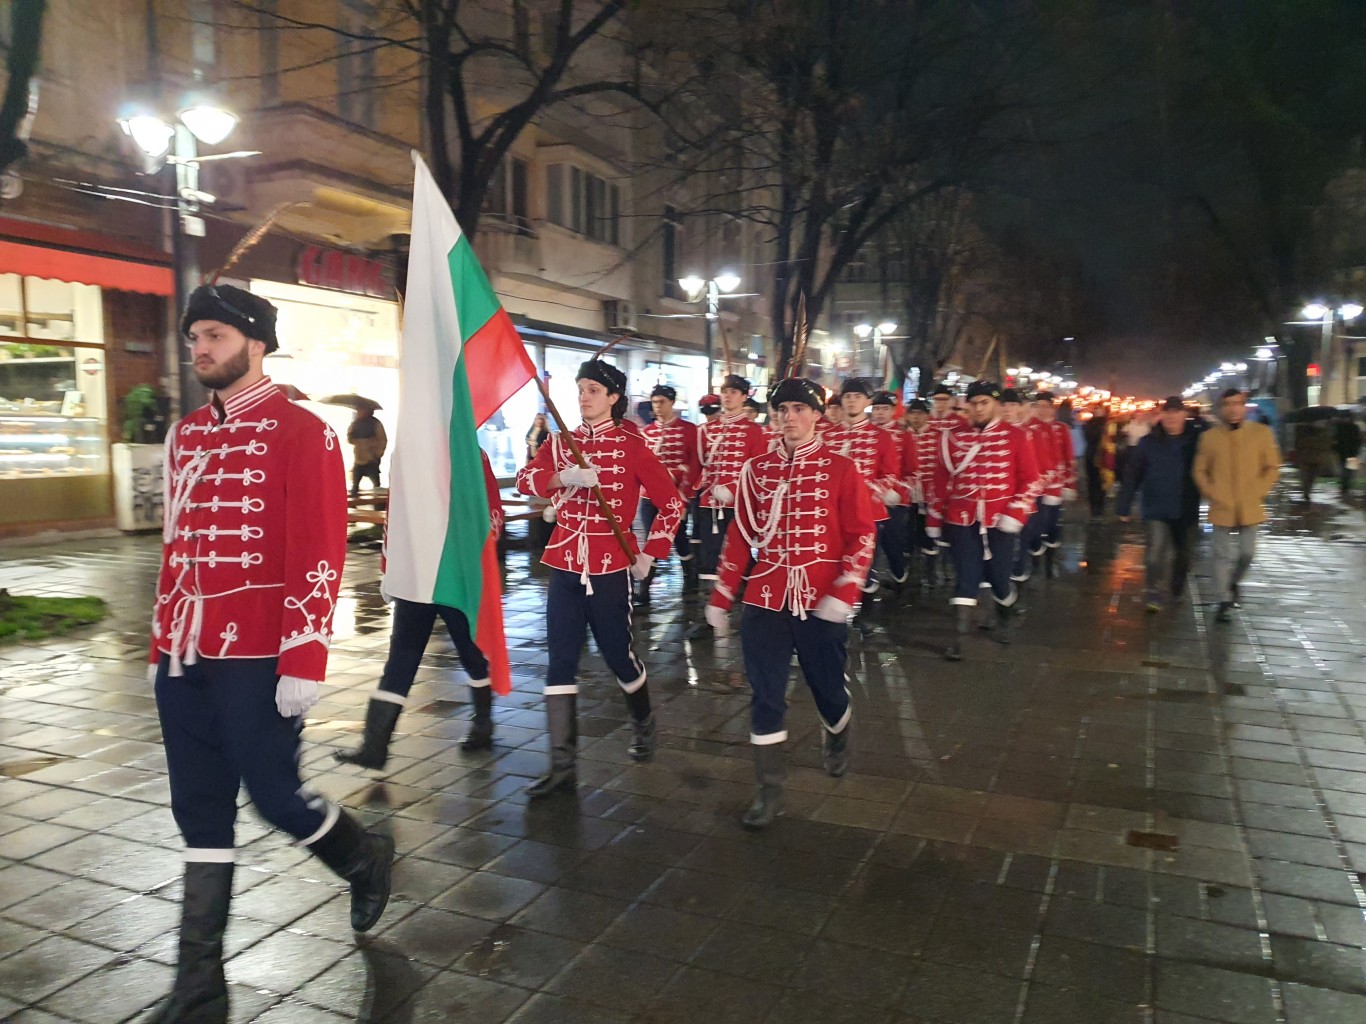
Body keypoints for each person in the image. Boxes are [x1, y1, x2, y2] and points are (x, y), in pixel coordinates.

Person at [147, 284, 394, 1023]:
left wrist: (304, 657)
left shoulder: (303, 432)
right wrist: (162, 641)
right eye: (195, 338)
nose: (200, 350)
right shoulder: (186, 434)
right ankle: (198, 987)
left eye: (214, 336)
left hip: (258, 654)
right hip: (186, 654)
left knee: (275, 798)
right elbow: (176, 546)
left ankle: (361, 855)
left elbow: (317, 550)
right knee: (199, 810)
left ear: (255, 343)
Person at [704, 377, 876, 828]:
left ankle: (838, 731)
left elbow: (862, 534)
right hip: (765, 597)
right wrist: (722, 594)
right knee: (765, 694)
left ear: (818, 415)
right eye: (782, 410)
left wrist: (845, 590)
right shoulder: (755, 470)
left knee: (827, 688)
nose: (791, 418)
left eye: (800, 409)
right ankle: (769, 788)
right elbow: (740, 536)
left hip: (822, 599)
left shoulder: (841, 469)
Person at [515, 359, 684, 796]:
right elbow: (524, 480)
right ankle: (562, 766)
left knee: (618, 656)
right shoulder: (560, 441)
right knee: (560, 660)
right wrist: (561, 477)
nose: (583, 396)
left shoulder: (632, 445)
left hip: (610, 567)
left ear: (612, 398)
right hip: (566, 565)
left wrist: (651, 555)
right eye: (581, 388)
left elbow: (672, 504)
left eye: (593, 389)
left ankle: (643, 720)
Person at [336, 451, 505, 768]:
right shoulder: (408, 451)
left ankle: (483, 723)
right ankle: (375, 746)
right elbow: (395, 511)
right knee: (401, 657)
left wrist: (476, 557)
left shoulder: (469, 452)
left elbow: (491, 508)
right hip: (417, 575)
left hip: (455, 574)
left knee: (471, 651)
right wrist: (390, 563)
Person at [928, 380, 1041, 659]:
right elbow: (940, 481)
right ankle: (960, 639)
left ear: (996, 405)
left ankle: (1004, 617)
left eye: (984, 403)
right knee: (965, 576)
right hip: (961, 519)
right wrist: (934, 518)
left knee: (1000, 578)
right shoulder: (951, 437)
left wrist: (1015, 513)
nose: (978, 408)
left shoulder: (1015, 436)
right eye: (974, 403)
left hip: (1000, 520)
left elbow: (1031, 481)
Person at [1193, 388, 1282, 623]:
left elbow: (1272, 467)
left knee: (1247, 553)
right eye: (1228, 404)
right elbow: (1200, 470)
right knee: (1221, 554)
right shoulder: (1211, 437)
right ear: (1221, 408)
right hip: (1222, 504)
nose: (1233, 408)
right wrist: (1211, 491)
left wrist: (1259, 490)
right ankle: (1223, 599)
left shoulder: (1260, 433)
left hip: (1250, 504)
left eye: (1238, 403)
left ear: (1244, 406)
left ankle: (1233, 581)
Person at [1117, 397, 1202, 612]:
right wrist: (1124, 506)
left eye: (1177, 412)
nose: (1172, 417)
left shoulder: (1196, 441)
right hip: (1156, 505)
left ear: (1185, 415)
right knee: (1155, 552)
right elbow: (1132, 475)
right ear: (1162, 415)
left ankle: (1176, 587)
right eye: (1168, 412)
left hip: (1186, 506)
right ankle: (1153, 591)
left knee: (1183, 554)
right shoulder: (1148, 442)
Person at [827, 379, 907, 592]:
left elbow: (890, 474)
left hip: (867, 509)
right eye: (847, 397)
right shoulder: (826, 436)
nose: (851, 401)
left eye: (857, 397)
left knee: (864, 560)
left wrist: (868, 492)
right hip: (831, 509)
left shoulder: (882, 437)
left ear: (867, 401)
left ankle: (864, 604)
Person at [694, 374, 769, 584]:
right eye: (725, 391)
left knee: (739, 552)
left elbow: (758, 470)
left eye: (733, 392)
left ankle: (752, 591)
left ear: (744, 397)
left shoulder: (754, 432)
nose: (728, 396)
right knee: (710, 556)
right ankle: (711, 603)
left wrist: (734, 491)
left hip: (738, 504)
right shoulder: (706, 430)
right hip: (709, 502)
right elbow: (698, 467)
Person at [636, 383, 702, 605]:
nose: (657, 407)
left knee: (679, 537)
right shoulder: (647, 432)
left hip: (674, 496)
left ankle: (689, 576)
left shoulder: (688, 429)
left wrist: (684, 496)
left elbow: (694, 464)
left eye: (661, 402)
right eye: (654, 402)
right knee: (651, 539)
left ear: (672, 402)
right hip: (649, 497)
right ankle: (645, 587)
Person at [1001, 388, 1054, 593]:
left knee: (1020, 543)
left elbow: (1042, 469)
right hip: (996, 500)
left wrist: (1027, 497)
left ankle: (1017, 584)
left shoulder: (1030, 435)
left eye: (1012, 405)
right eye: (1004, 405)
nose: (1007, 410)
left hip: (1022, 499)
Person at [1033, 391, 1077, 576]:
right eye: (1039, 406)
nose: (1043, 410)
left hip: (1055, 485)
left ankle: (1050, 562)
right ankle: (1035, 560)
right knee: (1035, 524)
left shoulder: (1061, 428)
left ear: (1052, 408)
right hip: (1034, 486)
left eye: (1046, 406)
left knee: (1052, 524)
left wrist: (1069, 484)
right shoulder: (1029, 428)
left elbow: (1068, 458)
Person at [903, 399, 942, 585]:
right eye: (913, 413)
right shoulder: (902, 435)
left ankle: (931, 570)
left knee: (929, 531)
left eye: (920, 413)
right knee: (907, 529)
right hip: (907, 493)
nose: (916, 417)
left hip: (930, 493)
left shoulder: (937, 436)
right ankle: (909, 569)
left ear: (927, 415)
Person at [347, 404, 387, 498]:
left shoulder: (376, 424)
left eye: (360, 409)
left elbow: (382, 440)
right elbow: (350, 439)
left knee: (376, 488)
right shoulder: (356, 423)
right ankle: (351, 508)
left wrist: (377, 454)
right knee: (354, 487)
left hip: (371, 459)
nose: (358, 411)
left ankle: (378, 508)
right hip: (359, 459)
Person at [1334, 412, 1363, 499]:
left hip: (1351, 452)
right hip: (1345, 452)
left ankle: (1345, 486)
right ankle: (1344, 486)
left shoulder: (1353, 427)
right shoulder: (1340, 427)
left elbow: (1358, 439)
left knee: (1350, 472)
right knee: (1345, 471)